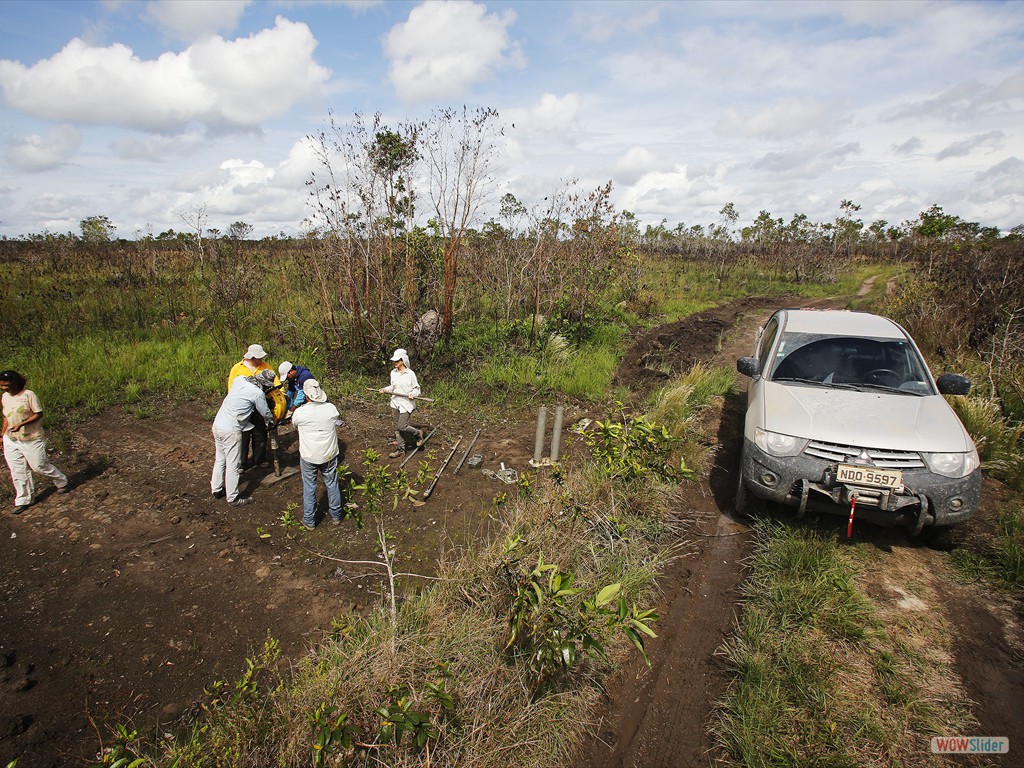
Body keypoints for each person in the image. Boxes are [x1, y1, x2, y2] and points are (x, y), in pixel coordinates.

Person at [1, 370, 70, 513]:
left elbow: (38, 413)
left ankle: (61, 480)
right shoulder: (5, 397)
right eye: (1, 386)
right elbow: (7, 417)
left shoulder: (28, 395)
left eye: (6, 385)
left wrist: (21, 424)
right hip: (11, 439)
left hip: (31, 438)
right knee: (17, 469)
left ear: (15, 383)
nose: (4, 388)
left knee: (39, 465)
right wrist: (2, 435)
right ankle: (23, 499)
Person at [211, 369, 275, 506]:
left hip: (218, 424)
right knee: (233, 465)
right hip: (231, 430)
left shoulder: (240, 380)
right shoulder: (257, 393)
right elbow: (264, 412)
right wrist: (270, 421)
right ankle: (233, 498)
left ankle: (216, 489)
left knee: (220, 459)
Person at [290, 379, 343, 530]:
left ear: (307, 396)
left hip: (309, 455)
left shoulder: (300, 413)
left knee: (309, 486)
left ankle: (309, 520)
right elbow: (334, 420)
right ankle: (336, 515)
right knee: (332, 483)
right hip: (329, 454)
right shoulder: (331, 409)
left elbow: (295, 424)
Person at [227, 344, 278, 469]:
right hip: (244, 408)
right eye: (258, 357)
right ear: (252, 357)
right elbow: (231, 388)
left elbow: (276, 383)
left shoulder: (265, 367)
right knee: (243, 436)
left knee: (260, 433)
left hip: (260, 405)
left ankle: (259, 459)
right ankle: (242, 463)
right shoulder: (237, 368)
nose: (261, 360)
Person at [378, 348, 422, 458]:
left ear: (402, 361)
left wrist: (413, 394)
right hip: (395, 402)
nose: (394, 363)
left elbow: (417, 389)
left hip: (406, 403)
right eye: (394, 361)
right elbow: (393, 386)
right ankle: (401, 449)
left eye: (397, 361)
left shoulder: (410, 374)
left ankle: (417, 434)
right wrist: (385, 389)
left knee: (402, 426)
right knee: (397, 428)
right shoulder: (393, 373)